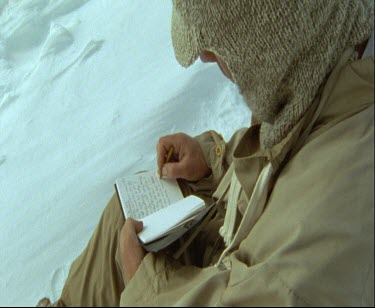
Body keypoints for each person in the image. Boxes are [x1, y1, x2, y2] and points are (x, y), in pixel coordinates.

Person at [38, 0, 374, 306]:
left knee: (127, 244)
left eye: (217, 40)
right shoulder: (325, 64)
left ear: (275, 40)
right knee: (124, 218)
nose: (204, 56)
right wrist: (213, 164)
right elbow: (283, 157)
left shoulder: (335, 204)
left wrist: (145, 287)